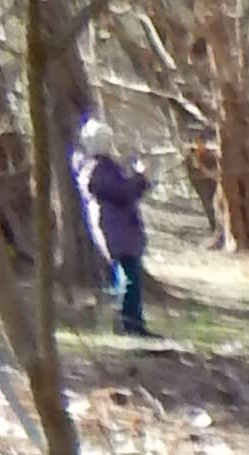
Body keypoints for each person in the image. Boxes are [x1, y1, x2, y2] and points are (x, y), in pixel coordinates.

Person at [71, 113, 148, 335]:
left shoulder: (103, 167)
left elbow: (126, 192)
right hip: (114, 229)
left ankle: (132, 322)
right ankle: (128, 324)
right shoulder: (96, 170)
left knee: (128, 276)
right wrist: (141, 178)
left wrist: (137, 180)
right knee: (129, 278)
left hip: (119, 229)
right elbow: (124, 192)